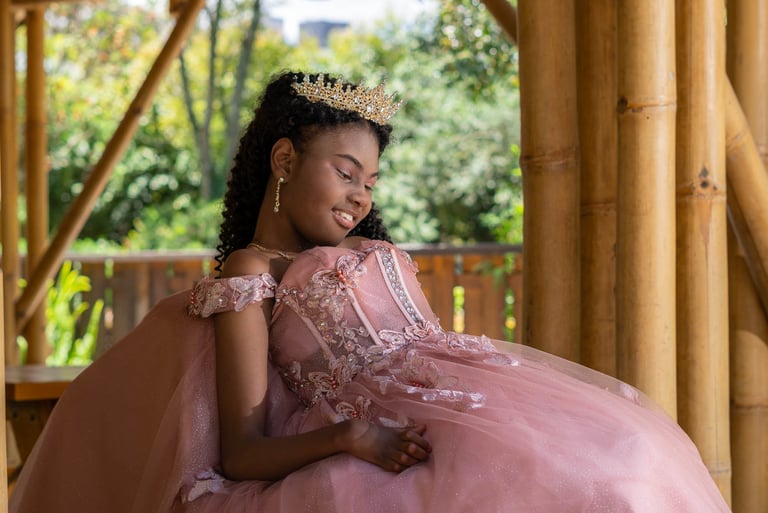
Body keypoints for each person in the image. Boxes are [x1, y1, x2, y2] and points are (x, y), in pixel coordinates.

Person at [10, 71, 731, 513]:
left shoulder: (359, 249)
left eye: (370, 181)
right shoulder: (248, 276)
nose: (360, 196)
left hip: (483, 405)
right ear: (285, 158)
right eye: (347, 171)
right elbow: (240, 447)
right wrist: (352, 435)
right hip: (377, 446)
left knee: (633, 452)